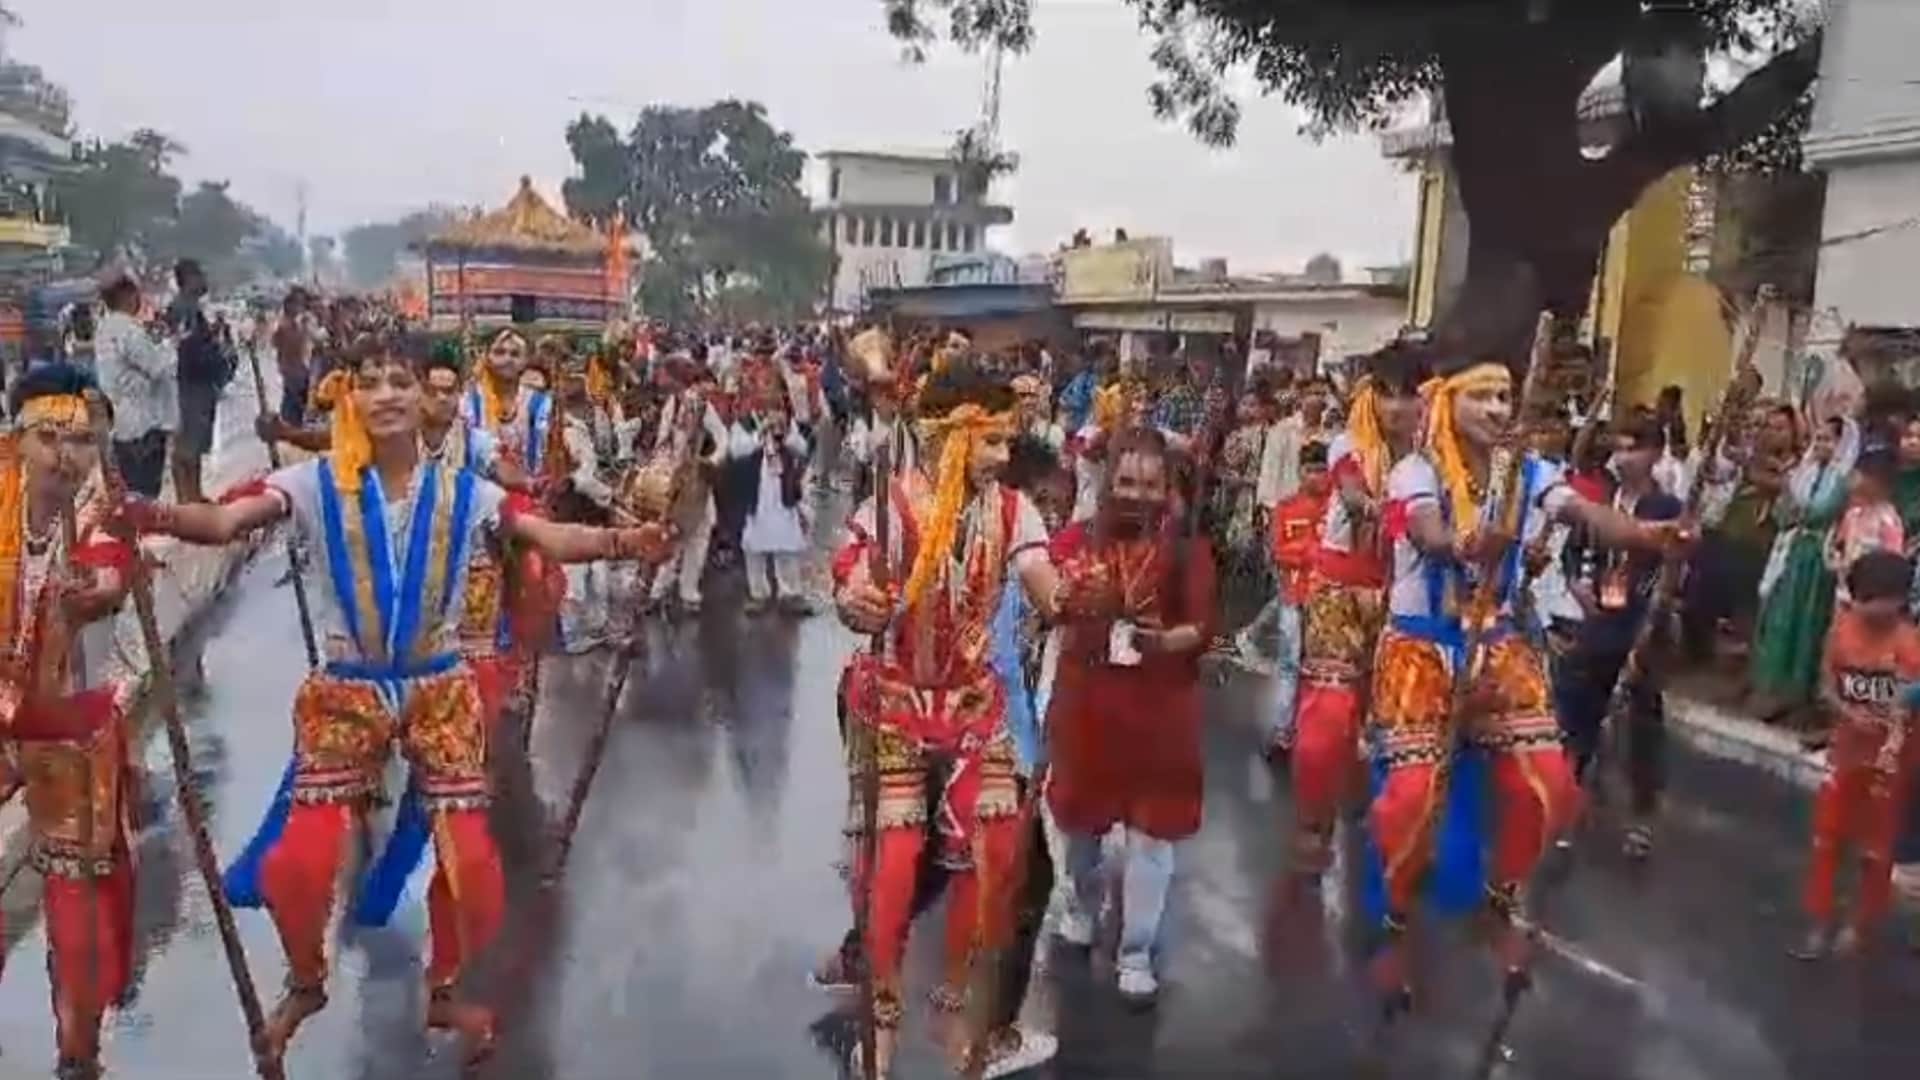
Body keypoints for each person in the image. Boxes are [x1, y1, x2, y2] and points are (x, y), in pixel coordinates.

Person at [122, 333, 673, 1068]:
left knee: (473, 866)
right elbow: (221, 523)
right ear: (352, 396)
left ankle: (446, 984)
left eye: (399, 382)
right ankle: (307, 982)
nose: (385, 395)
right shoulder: (315, 483)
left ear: (422, 397)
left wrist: (626, 543)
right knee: (296, 869)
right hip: (348, 689)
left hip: (441, 685)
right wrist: (145, 515)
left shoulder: (467, 490)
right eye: (370, 382)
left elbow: (546, 533)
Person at [1366, 351, 1682, 1015]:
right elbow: (1428, 533)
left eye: (1508, 398)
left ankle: (1499, 902)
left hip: (1499, 647)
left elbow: (1588, 514)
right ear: (1451, 403)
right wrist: (1463, 544)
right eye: (1484, 397)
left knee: (1551, 790)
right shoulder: (1414, 471)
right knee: (1412, 802)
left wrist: (1651, 534)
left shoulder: (1529, 472)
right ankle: (1396, 922)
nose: (1499, 411)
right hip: (1422, 651)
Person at [830, 357, 1076, 1078]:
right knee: (892, 874)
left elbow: (1042, 583)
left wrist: (1071, 597)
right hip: (896, 708)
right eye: (992, 442)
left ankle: (965, 1024)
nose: (1004, 457)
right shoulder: (894, 503)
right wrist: (858, 600)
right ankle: (876, 1036)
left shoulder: (1012, 511)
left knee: (995, 864)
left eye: (1007, 442)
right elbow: (850, 578)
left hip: (975, 710)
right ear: (952, 437)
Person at [0, 364, 139, 1078]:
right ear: (15, 438)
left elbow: (113, 575)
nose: (64, 454)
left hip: (64, 719)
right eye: (47, 435)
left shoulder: (99, 507)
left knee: (80, 889)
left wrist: (106, 586)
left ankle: (77, 1052)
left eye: (81, 438)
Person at [1046, 426, 1215, 1005]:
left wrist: (1163, 643)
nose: (1137, 495)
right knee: (1083, 829)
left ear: (1168, 488)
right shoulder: (1075, 540)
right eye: (1126, 482)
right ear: (1107, 481)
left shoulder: (1188, 548)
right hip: (1089, 706)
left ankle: (1137, 950)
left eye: (1150, 484)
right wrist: (1072, 599)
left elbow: (1201, 627)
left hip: (1161, 709)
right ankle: (1079, 904)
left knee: (1151, 836)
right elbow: (1052, 601)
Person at [1281, 347, 1424, 880]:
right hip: (1340, 594)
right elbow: (1356, 497)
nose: (1394, 406)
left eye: (1407, 393)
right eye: (1383, 391)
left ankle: (1380, 820)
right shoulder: (1351, 445)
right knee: (1328, 719)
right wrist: (1410, 518)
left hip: (1406, 596)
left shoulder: (1437, 458)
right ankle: (1313, 823)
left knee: (1390, 724)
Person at [1553, 418, 1684, 859]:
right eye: (1619, 447)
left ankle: (1641, 817)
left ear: (1654, 453)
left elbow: (1677, 566)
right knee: (1577, 712)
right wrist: (1576, 584)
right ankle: (1568, 805)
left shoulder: (1666, 507)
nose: (1622, 456)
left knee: (1639, 724)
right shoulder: (1603, 501)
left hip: (1642, 625)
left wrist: (1658, 609)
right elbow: (1574, 549)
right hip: (1598, 622)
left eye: (1633, 447)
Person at [1793, 551, 1920, 958]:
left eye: (1877, 599)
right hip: (1846, 752)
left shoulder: (1908, 645)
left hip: (1892, 761)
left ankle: (1861, 924)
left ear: (1899, 600)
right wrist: (1848, 712)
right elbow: (1825, 684)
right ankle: (1819, 918)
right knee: (1828, 837)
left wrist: (1890, 729)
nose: (1868, 608)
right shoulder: (1841, 631)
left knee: (1876, 848)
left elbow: (1907, 706)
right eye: (1862, 598)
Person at [1752, 416, 1857, 722]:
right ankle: (1775, 688)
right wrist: (1792, 508)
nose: (1822, 445)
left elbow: (1823, 512)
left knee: (1808, 623)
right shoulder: (1804, 473)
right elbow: (1784, 509)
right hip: (1793, 552)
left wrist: (1800, 510)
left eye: (1829, 440)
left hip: (1818, 559)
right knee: (1781, 617)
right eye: (1819, 438)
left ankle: (1801, 695)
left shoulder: (1843, 480)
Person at [92, 276, 176, 498]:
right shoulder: (128, 329)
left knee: (130, 491)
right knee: (145, 492)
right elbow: (157, 366)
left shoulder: (105, 328)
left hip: (121, 422)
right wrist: (170, 345)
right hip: (143, 425)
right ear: (127, 296)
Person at [730, 401, 813, 615]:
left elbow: (802, 448)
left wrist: (785, 433)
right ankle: (758, 594)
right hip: (757, 494)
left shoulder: (786, 421)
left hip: (782, 494)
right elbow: (736, 449)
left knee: (787, 544)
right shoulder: (745, 423)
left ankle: (791, 593)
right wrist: (760, 432)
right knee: (754, 546)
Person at [166, 259, 232, 504]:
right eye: (199, 275)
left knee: (194, 443)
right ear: (189, 278)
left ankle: (193, 494)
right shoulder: (183, 309)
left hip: (198, 383)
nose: (204, 280)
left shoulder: (191, 308)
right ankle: (186, 498)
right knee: (187, 445)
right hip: (190, 383)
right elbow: (184, 347)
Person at [272, 288, 316, 426]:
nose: (300, 307)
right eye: (297, 303)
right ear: (289, 305)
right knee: (292, 404)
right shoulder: (284, 325)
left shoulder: (297, 324)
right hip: (292, 369)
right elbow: (278, 344)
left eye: (301, 303)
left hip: (299, 368)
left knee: (297, 403)